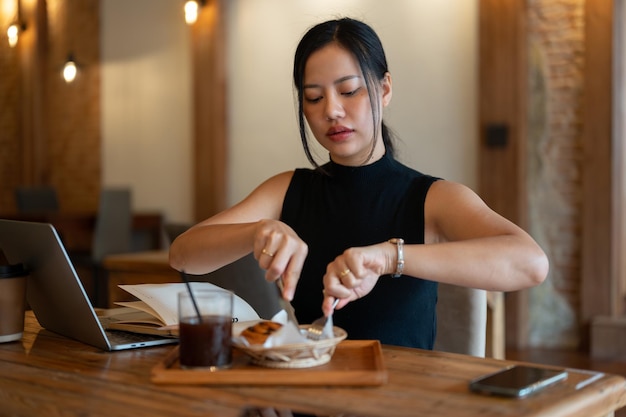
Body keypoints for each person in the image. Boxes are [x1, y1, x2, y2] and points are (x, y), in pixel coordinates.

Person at [170, 17, 549, 349]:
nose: (331, 110)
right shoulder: (289, 189)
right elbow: (183, 254)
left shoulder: (432, 198)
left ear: (384, 89)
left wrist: (389, 258)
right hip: (308, 394)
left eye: (349, 91)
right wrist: (256, 231)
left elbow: (531, 263)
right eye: (314, 98)